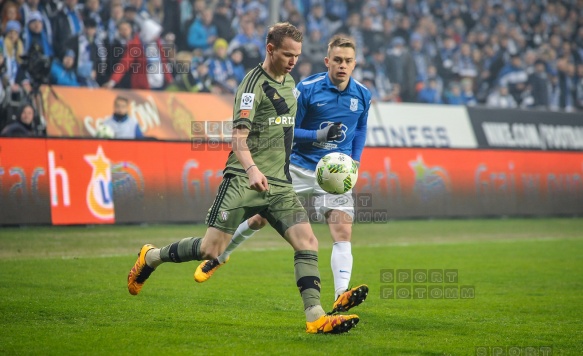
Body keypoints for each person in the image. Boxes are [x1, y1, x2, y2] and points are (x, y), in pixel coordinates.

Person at [127, 23, 359, 334]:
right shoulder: (252, 86)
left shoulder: (291, 84)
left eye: (298, 55)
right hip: (242, 179)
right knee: (211, 249)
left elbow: (288, 133)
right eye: (288, 54)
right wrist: (252, 169)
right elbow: (238, 138)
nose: (293, 61)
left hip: (278, 184)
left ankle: (316, 316)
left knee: (307, 241)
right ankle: (151, 256)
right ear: (270, 49)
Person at [194, 35, 371, 315]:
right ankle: (220, 256)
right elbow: (287, 132)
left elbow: (360, 130)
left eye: (348, 61)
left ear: (355, 64)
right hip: (298, 167)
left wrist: (356, 162)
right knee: (258, 219)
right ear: (327, 61)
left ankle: (341, 294)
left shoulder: (363, 94)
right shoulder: (307, 89)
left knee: (342, 230)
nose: (342, 65)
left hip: (336, 172)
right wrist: (318, 135)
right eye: (337, 60)